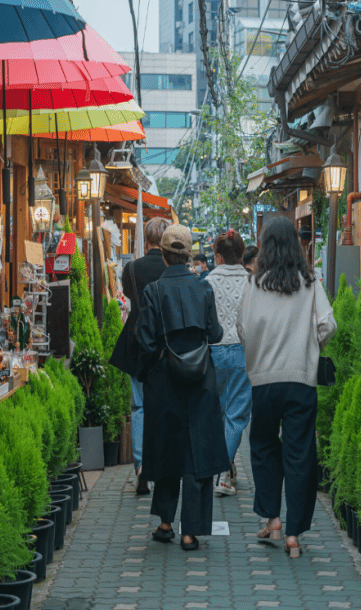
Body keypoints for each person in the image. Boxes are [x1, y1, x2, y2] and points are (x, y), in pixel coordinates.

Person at [237, 217, 336, 559]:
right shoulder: (310, 282)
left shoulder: (253, 284)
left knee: (263, 447)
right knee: (300, 455)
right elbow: (327, 324)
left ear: (264, 245)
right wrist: (309, 346)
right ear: (295, 244)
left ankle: (272, 519)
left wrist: (259, 356)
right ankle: (294, 535)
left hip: (263, 380)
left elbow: (242, 328)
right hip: (300, 381)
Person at [134, 225, 230, 551]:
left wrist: (148, 369)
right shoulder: (204, 289)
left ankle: (165, 523)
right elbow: (214, 333)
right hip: (201, 379)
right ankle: (191, 532)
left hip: (164, 381)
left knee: (166, 449)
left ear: (162, 254)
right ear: (189, 255)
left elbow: (145, 342)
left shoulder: (152, 291)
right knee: (197, 452)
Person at [109, 217, 172, 495]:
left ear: (145, 240)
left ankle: (140, 465)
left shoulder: (132, 268)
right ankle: (161, 463)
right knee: (164, 407)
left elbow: (126, 295)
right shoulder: (173, 268)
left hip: (136, 342)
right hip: (166, 343)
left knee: (140, 407)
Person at [204, 229, 252, 496]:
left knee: (218, 413)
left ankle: (222, 468)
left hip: (212, 352)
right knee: (237, 414)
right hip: (243, 352)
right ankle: (224, 474)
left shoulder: (206, 281)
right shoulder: (252, 281)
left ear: (217, 255)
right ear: (242, 254)